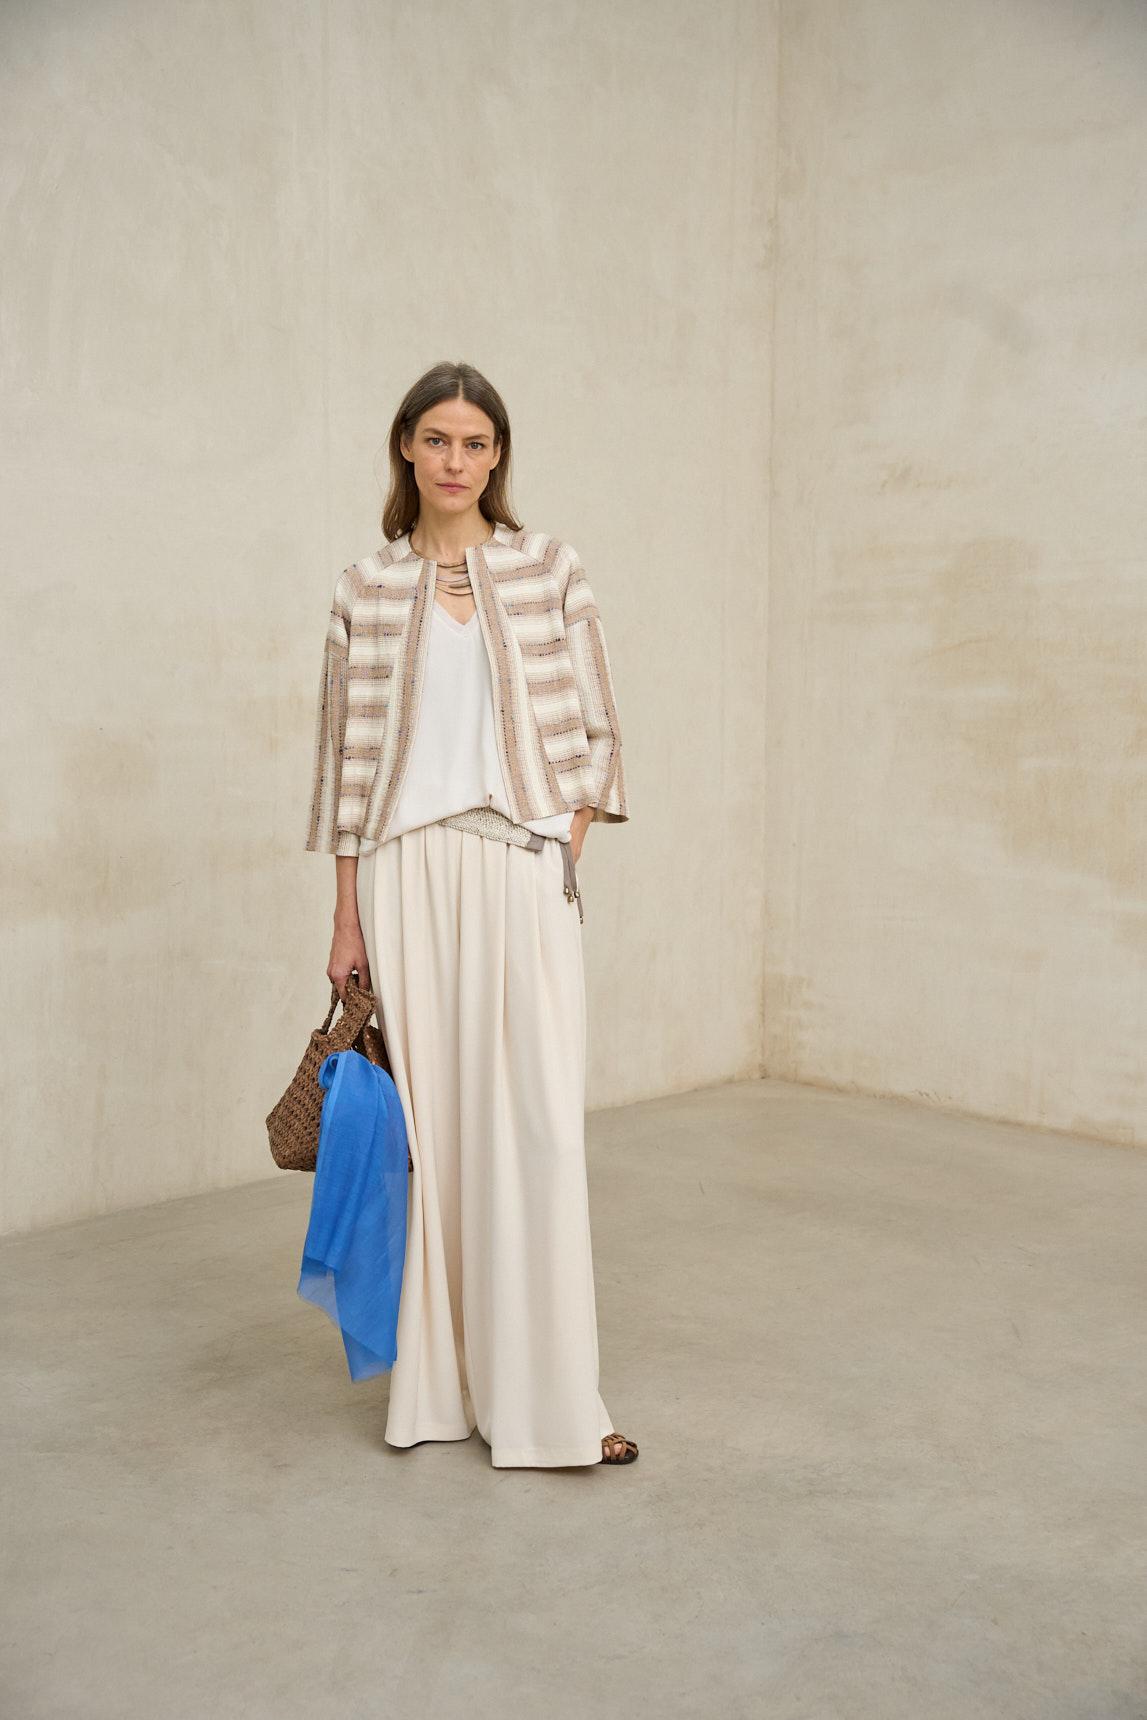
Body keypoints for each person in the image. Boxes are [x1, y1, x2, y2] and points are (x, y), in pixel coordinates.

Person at [305, 360, 638, 1468]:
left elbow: (601, 726)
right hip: (407, 876)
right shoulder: (364, 588)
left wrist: (563, 840)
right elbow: (342, 770)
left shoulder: (549, 568)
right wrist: (347, 919)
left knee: (537, 1129)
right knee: (438, 1143)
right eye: (438, 439)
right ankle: (439, 1395)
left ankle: (556, 1403)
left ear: (498, 457)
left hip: (520, 866)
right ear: (407, 446)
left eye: (476, 442)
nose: (457, 460)